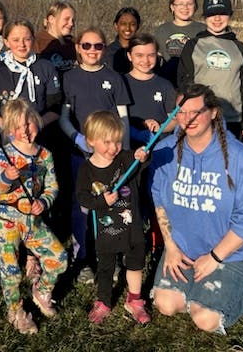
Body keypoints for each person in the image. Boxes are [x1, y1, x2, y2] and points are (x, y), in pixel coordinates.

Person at [150, 83, 243, 334]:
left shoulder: (241, 158)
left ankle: (238, 294)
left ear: (213, 112)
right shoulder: (165, 152)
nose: (188, 119)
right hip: (183, 247)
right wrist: (170, 246)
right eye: (181, 112)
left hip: (232, 252)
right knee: (166, 304)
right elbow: (159, 198)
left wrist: (215, 257)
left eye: (197, 111)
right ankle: (202, 290)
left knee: (205, 319)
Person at [59, 27, 131, 284]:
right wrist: (77, 138)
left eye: (98, 46)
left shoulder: (115, 78)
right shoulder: (68, 78)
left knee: (111, 204)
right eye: (86, 45)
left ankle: (110, 258)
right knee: (82, 208)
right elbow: (64, 118)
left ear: (104, 48)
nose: (92, 50)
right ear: (78, 47)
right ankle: (82, 260)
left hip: (111, 156)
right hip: (80, 155)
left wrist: (123, 152)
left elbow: (123, 119)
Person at [0, 99, 68, 335]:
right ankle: (15, 310)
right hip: (7, 222)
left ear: (37, 121)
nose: (24, 131)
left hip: (33, 222)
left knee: (59, 257)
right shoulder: (4, 154)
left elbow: (52, 187)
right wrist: (6, 176)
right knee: (11, 271)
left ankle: (41, 290)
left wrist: (43, 202)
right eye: (17, 127)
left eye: (29, 124)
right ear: (9, 131)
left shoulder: (45, 154)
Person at [75, 111, 151, 325]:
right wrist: (102, 202)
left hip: (132, 226)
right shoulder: (86, 169)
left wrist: (143, 156)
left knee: (136, 263)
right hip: (107, 229)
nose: (113, 147)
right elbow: (82, 197)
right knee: (106, 266)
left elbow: (142, 162)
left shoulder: (125, 159)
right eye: (107, 142)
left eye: (117, 141)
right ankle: (104, 301)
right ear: (90, 141)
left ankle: (134, 300)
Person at [178, 0, 243, 142]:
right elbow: (183, 84)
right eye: (212, 14)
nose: (217, 19)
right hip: (200, 118)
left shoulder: (239, 47)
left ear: (229, 15)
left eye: (222, 13)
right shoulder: (193, 45)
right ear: (205, 17)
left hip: (233, 119)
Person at [124, 34, 177, 149]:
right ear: (129, 56)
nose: (145, 60)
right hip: (129, 148)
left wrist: (160, 127)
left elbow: (174, 120)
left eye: (151, 55)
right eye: (139, 55)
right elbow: (114, 118)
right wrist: (134, 131)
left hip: (160, 148)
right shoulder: (121, 83)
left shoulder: (165, 85)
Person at [154, 0, 205, 86]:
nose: (185, 7)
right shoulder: (162, 30)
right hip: (168, 84)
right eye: (180, 4)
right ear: (172, 7)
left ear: (195, 6)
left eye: (189, 4)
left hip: (196, 84)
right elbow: (156, 60)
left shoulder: (203, 29)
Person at [33, 1, 77, 74]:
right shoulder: (36, 43)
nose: (71, 24)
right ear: (51, 19)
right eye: (66, 19)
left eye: (73, 20)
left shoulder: (75, 43)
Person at [105, 7, 141, 74]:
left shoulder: (143, 51)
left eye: (132, 24)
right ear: (116, 25)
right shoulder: (107, 53)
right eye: (123, 24)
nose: (128, 28)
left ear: (138, 26)